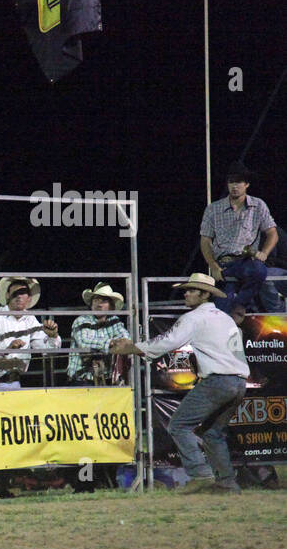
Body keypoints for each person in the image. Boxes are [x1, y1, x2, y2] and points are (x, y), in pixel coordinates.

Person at [110, 272, 248, 494]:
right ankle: (227, 483)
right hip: (239, 382)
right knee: (213, 433)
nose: (186, 293)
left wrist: (132, 347)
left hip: (218, 380)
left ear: (204, 294)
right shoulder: (224, 317)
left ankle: (200, 474)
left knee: (178, 425)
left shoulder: (194, 318)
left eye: (191, 290)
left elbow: (168, 341)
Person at [199, 161, 278, 314]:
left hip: (246, 261)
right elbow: (205, 240)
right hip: (223, 264)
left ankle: (239, 305)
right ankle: (230, 312)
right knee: (222, 307)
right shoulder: (213, 209)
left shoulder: (258, 205)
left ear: (246, 184)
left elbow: (272, 233)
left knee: (259, 271)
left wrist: (265, 253)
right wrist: (213, 265)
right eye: (231, 182)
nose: (234, 186)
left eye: (239, 182)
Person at [0, 276, 60, 390]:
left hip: (14, 381)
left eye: (23, 293)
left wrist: (52, 336)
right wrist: (6, 350)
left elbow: (46, 351)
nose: (19, 296)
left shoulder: (30, 319)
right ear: (7, 296)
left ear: (29, 298)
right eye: (15, 293)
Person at [66, 282, 129, 385]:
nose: (98, 304)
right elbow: (84, 343)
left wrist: (118, 342)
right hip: (81, 380)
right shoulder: (81, 320)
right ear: (91, 305)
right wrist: (111, 343)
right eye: (95, 300)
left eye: (103, 301)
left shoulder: (114, 321)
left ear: (111, 307)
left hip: (106, 379)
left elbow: (124, 338)